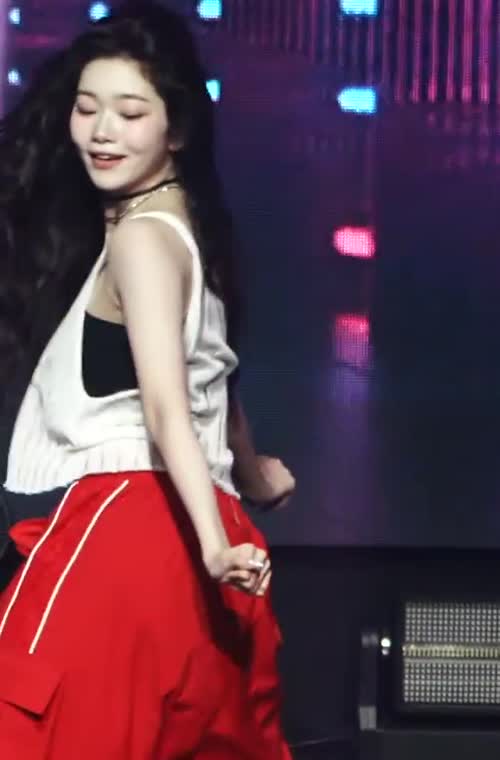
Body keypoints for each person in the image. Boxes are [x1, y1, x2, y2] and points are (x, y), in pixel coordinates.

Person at [0, 3, 295, 758]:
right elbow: (212, 378)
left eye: (131, 113)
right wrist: (250, 477)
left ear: (178, 129)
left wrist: (213, 548)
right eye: (86, 108)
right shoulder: (189, 229)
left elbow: (167, 407)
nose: (102, 131)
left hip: (132, 526)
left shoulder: (140, 239)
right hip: (198, 536)